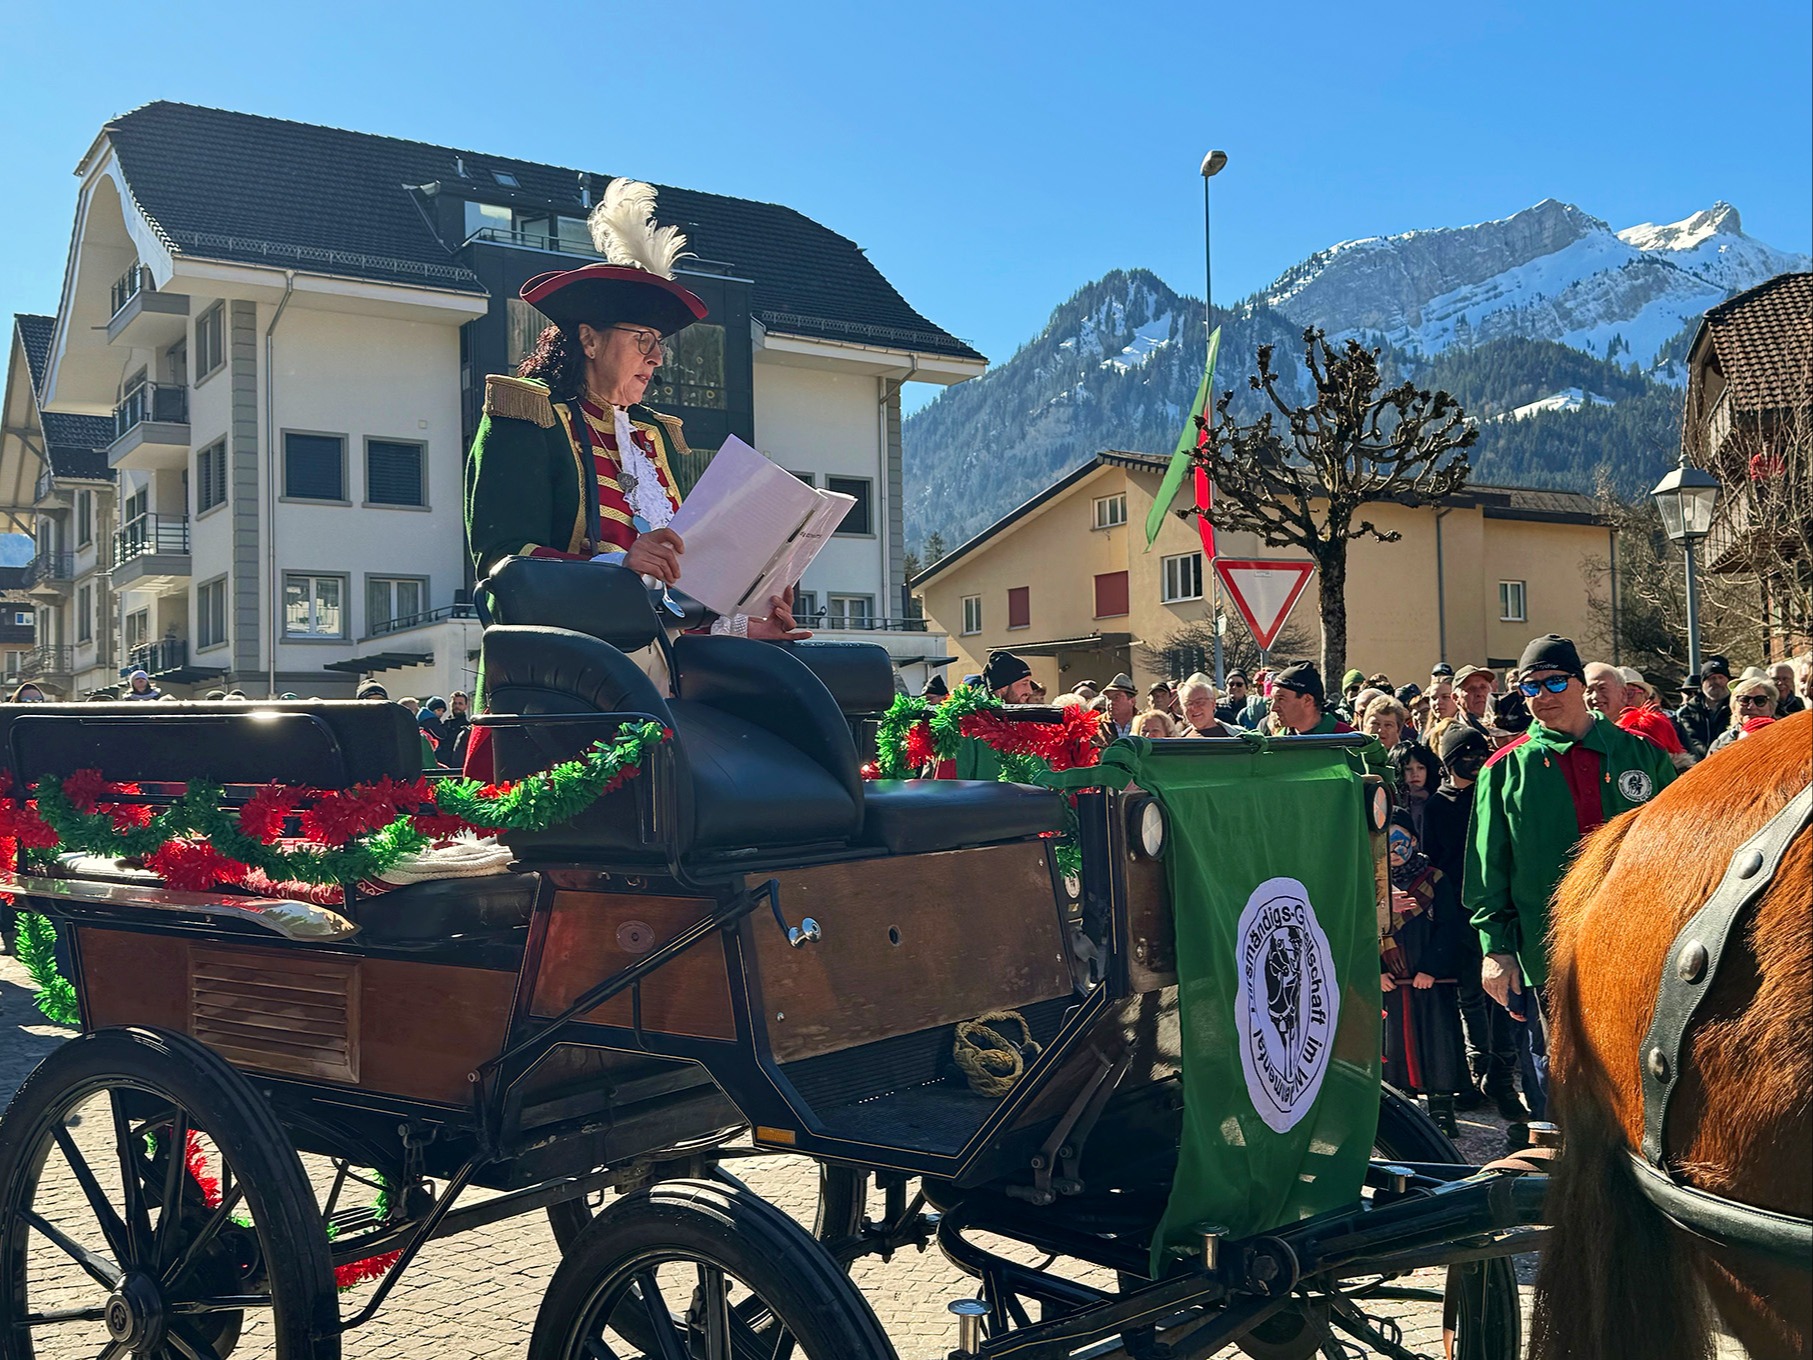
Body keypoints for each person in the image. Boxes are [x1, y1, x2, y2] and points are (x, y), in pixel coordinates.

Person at [462, 180, 805, 775]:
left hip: (665, 685)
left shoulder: (652, 439)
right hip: (564, 690)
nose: (657, 357)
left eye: (660, 344)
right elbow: (502, 566)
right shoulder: (528, 417)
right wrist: (617, 568)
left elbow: (670, 594)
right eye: (643, 339)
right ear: (589, 338)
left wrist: (743, 623)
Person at [1464, 634, 1677, 1123]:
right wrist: (1496, 949)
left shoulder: (1641, 756)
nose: (1543, 695)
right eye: (1529, 687)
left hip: (1642, 944)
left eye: (1555, 681)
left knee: (1650, 1064)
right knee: (1560, 1077)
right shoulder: (1503, 772)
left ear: (1582, 684)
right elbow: (1486, 872)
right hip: (1551, 954)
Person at [1424, 722, 1524, 1120]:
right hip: (1459, 912)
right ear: (1450, 762)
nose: (1477, 761)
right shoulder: (1439, 804)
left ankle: (1501, 1074)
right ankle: (1479, 1065)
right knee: (1470, 995)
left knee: (1504, 997)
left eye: (1481, 753)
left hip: (1497, 904)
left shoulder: (1493, 792)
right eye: (1466, 755)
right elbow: (1436, 861)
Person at [1585, 662, 1689, 769]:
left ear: (1644, 696)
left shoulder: (1654, 724)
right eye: (1589, 690)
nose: (1625, 699)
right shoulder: (1587, 730)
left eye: (1630, 693)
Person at [1270, 662, 1353, 735]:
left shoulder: (1347, 739)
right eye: (1272, 699)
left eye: (1281, 699)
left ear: (1307, 699)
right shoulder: (1278, 742)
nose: (1273, 708)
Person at [1674, 656, 1731, 760]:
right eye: (1711, 678)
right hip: (1696, 766)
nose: (1717, 682)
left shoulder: (1737, 708)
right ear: (1702, 683)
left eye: (1721, 677)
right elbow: (1688, 741)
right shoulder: (1687, 712)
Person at [1707, 676, 1777, 754]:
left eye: (1760, 701)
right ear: (1733, 707)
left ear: (1771, 708)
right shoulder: (1720, 743)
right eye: (1744, 700)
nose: (1751, 707)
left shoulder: (1783, 736)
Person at [1098, 674, 1138, 741]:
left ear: (1132, 701)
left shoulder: (1145, 723)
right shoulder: (1096, 724)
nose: (1111, 702)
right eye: (1108, 698)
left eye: (1116, 697)